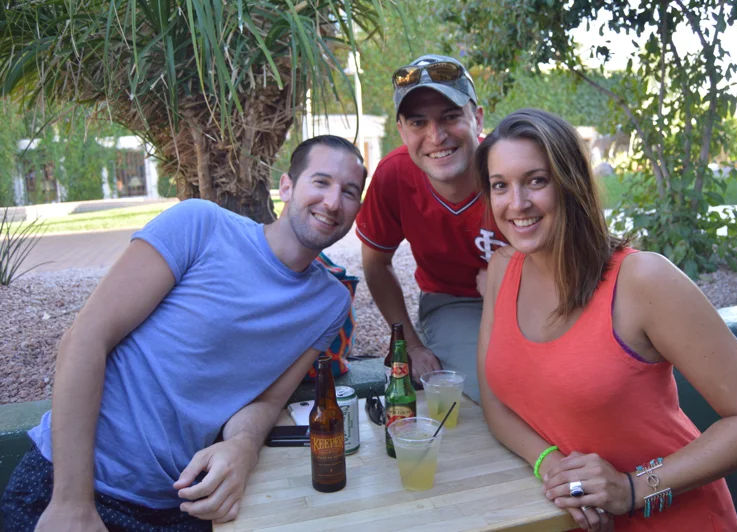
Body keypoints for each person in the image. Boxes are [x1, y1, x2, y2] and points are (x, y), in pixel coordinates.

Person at [0, 135, 368, 531]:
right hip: (70, 484)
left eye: (349, 192)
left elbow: (267, 399)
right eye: (321, 182)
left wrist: (242, 447)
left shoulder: (329, 303)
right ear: (286, 186)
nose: (332, 202)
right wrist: (72, 503)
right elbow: (86, 337)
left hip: (179, 503)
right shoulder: (200, 224)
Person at [474, 109, 737, 531]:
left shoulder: (642, 280)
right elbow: (495, 402)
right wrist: (550, 465)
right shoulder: (502, 269)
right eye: (501, 186)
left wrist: (633, 489)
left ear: (571, 184)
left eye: (537, 180)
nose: (517, 203)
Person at [355, 53, 505, 402]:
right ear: (402, 131)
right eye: (418, 122)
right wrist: (410, 344)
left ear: (477, 118)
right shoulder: (394, 175)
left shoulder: (508, 166)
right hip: (455, 302)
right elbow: (375, 263)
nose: (435, 136)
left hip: (534, 295)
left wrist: (506, 273)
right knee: (491, 394)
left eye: (450, 117)